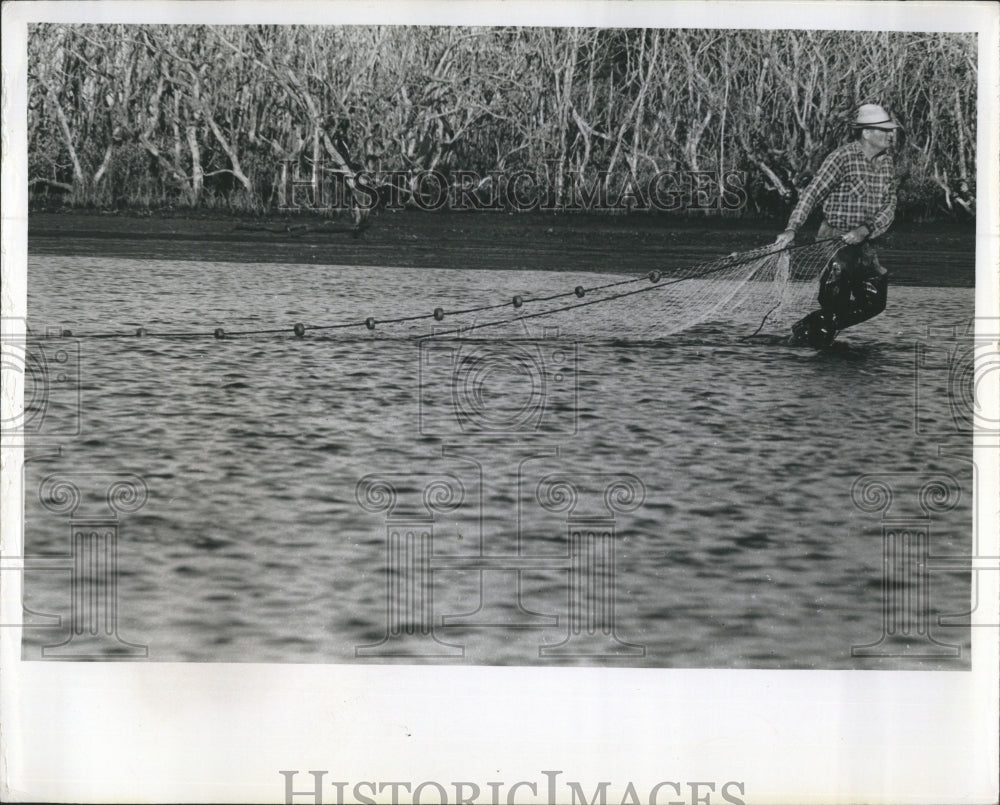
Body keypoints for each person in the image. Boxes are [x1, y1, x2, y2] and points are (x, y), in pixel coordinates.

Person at [775, 104, 900, 346]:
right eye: (883, 131)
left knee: (874, 302)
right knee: (835, 300)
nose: (890, 135)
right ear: (866, 133)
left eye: (890, 131)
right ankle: (815, 346)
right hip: (832, 240)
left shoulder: (887, 163)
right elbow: (812, 193)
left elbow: (890, 205)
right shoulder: (842, 157)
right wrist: (792, 228)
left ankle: (806, 332)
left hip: (864, 241)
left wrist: (866, 230)